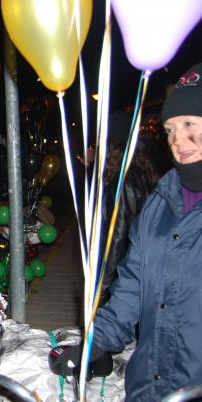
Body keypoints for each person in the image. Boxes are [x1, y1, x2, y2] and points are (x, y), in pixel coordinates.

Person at [56, 63, 202, 401]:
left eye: (189, 124)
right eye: (169, 129)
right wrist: (94, 344)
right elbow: (133, 286)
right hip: (149, 388)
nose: (178, 139)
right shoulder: (160, 204)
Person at [98, 111, 159, 304]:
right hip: (140, 269)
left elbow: (116, 239)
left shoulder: (123, 182)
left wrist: (103, 290)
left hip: (124, 276)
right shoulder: (141, 171)